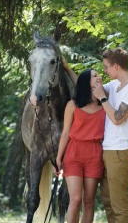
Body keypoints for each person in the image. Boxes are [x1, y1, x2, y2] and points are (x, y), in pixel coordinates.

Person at [62, 48, 128, 223]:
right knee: (108, 203)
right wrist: (68, 69)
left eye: (106, 67)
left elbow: (117, 118)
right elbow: (87, 87)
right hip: (105, 150)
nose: (105, 71)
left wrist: (103, 99)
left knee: (119, 204)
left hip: (119, 151)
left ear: (116, 66)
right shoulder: (115, 86)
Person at [53, 68, 105, 223]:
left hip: (95, 154)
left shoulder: (105, 104)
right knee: (75, 200)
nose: (99, 77)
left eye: (99, 74)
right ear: (85, 82)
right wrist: (58, 157)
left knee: (89, 201)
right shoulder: (73, 105)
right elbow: (65, 132)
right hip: (74, 153)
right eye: (94, 75)